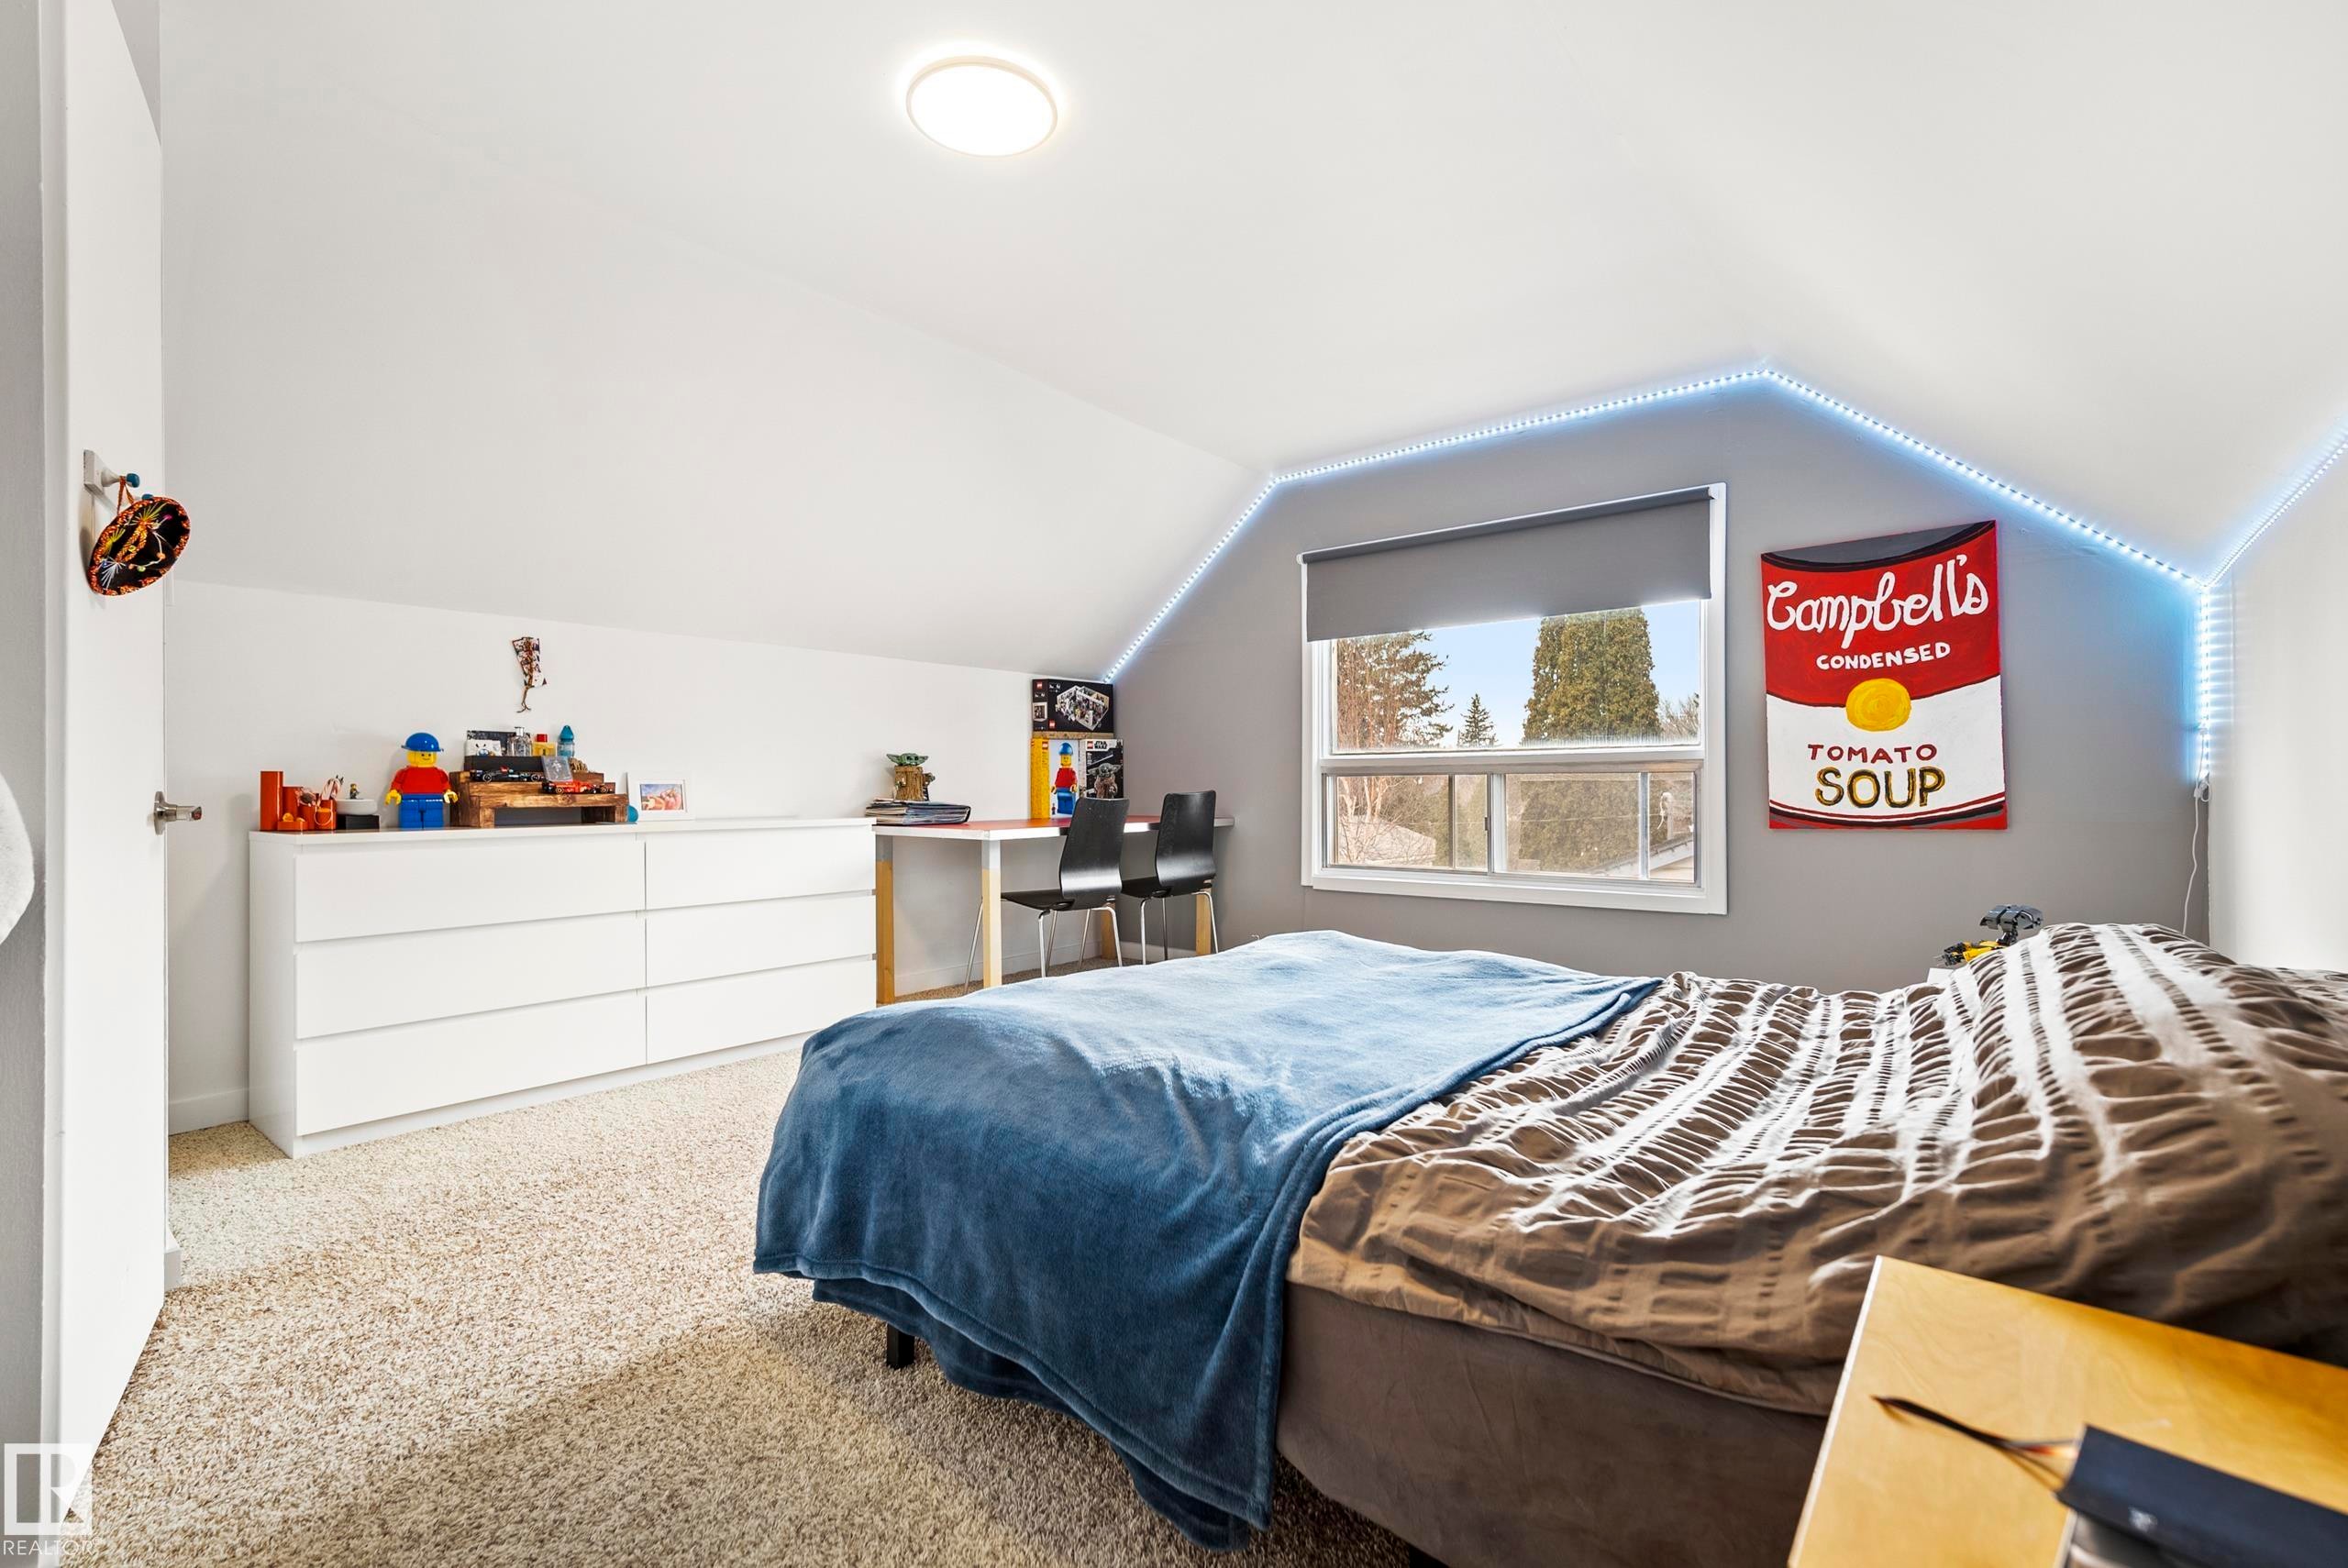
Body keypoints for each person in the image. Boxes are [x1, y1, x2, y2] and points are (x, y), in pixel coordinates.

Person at [383, 732, 460, 830]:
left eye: (429, 754)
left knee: (433, 823)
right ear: (411, 753)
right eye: (423, 754)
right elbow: (397, 783)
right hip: (409, 800)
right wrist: (393, 792)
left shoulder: (439, 773)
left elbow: (445, 784)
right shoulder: (404, 772)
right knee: (410, 824)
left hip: (434, 800)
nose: (426, 756)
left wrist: (448, 792)